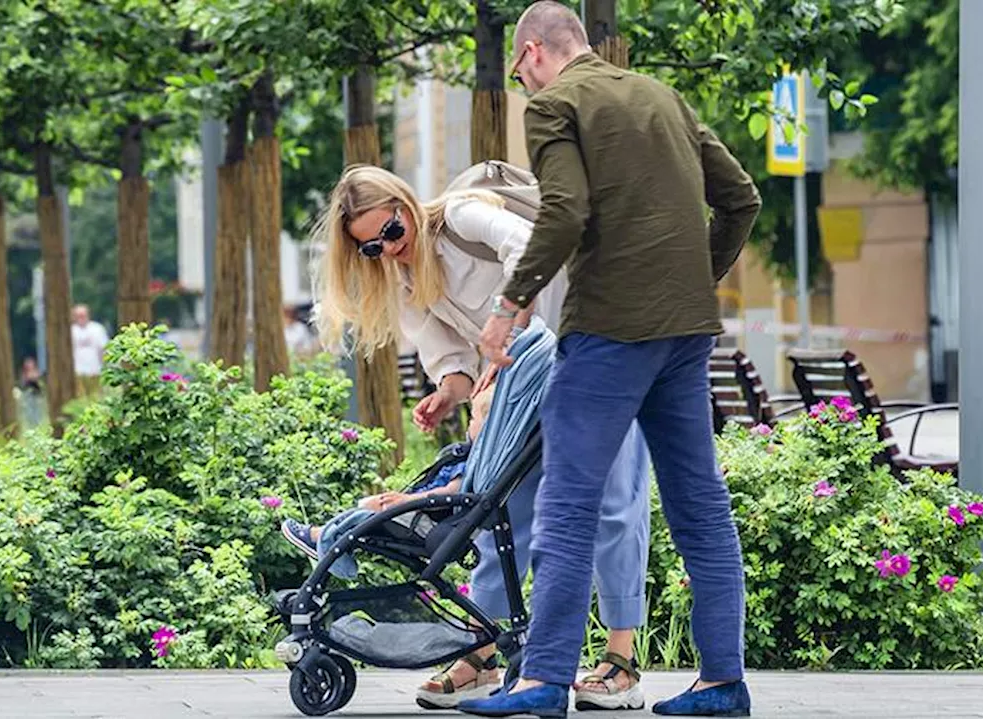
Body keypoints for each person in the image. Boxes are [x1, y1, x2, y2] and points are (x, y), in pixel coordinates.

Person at [463, 3, 762, 718]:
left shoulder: (556, 105)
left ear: (534, 52)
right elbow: (741, 200)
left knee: (568, 504)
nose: (523, 86)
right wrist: (692, 280)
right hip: (684, 335)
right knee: (701, 507)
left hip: (607, 336)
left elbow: (562, 211)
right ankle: (723, 682)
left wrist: (509, 306)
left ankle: (542, 682)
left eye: (519, 71)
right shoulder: (663, 97)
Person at [313, 164, 653, 711]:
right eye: (371, 248)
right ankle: (485, 649)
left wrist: (507, 329)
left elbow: (527, 248)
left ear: (406, 206)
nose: (388, 249)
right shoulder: (402, 279)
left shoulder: (461, 215)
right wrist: (449, 390)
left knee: (613, 503)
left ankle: (621, 661)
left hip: (596, 342)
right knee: (501, 507)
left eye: (392, 232)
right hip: (523, 380)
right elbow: (448, 353)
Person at [280, 384, 495, 560]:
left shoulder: (471, 465)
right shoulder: (475, 459)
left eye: (473, 419)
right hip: (426, 515)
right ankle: (328, 539)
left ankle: (321, 538)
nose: (468, 424)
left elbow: (451, 494)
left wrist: (406, 500)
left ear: (488, 428)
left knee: (371, 510)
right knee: (367, 508)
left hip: (426, 521)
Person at [70, 304, 109, 398]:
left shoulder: (97, 329)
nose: (81, 318)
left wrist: (105, 367)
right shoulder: (71, 330)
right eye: (78, 315)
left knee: (96, 398)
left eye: (83, 315)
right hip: (77, 372)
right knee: (80, 398)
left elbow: (103, 349)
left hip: (95, 370)